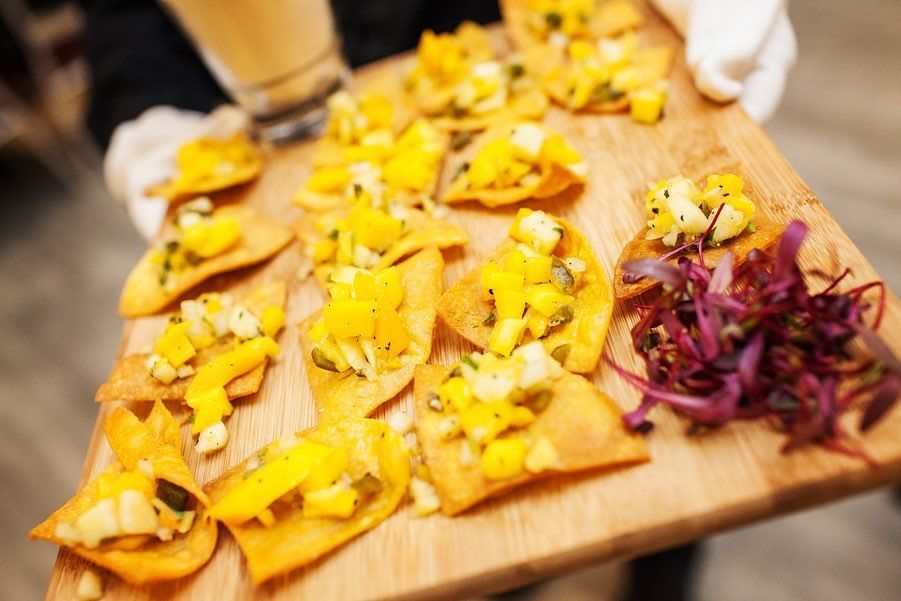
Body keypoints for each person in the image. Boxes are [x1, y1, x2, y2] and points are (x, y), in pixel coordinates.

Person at [83, 2, 796, 599]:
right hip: (264, 107)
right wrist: (142, 107)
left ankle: (660, 574)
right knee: (481, 568)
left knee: (683, 474)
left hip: (494, 37)